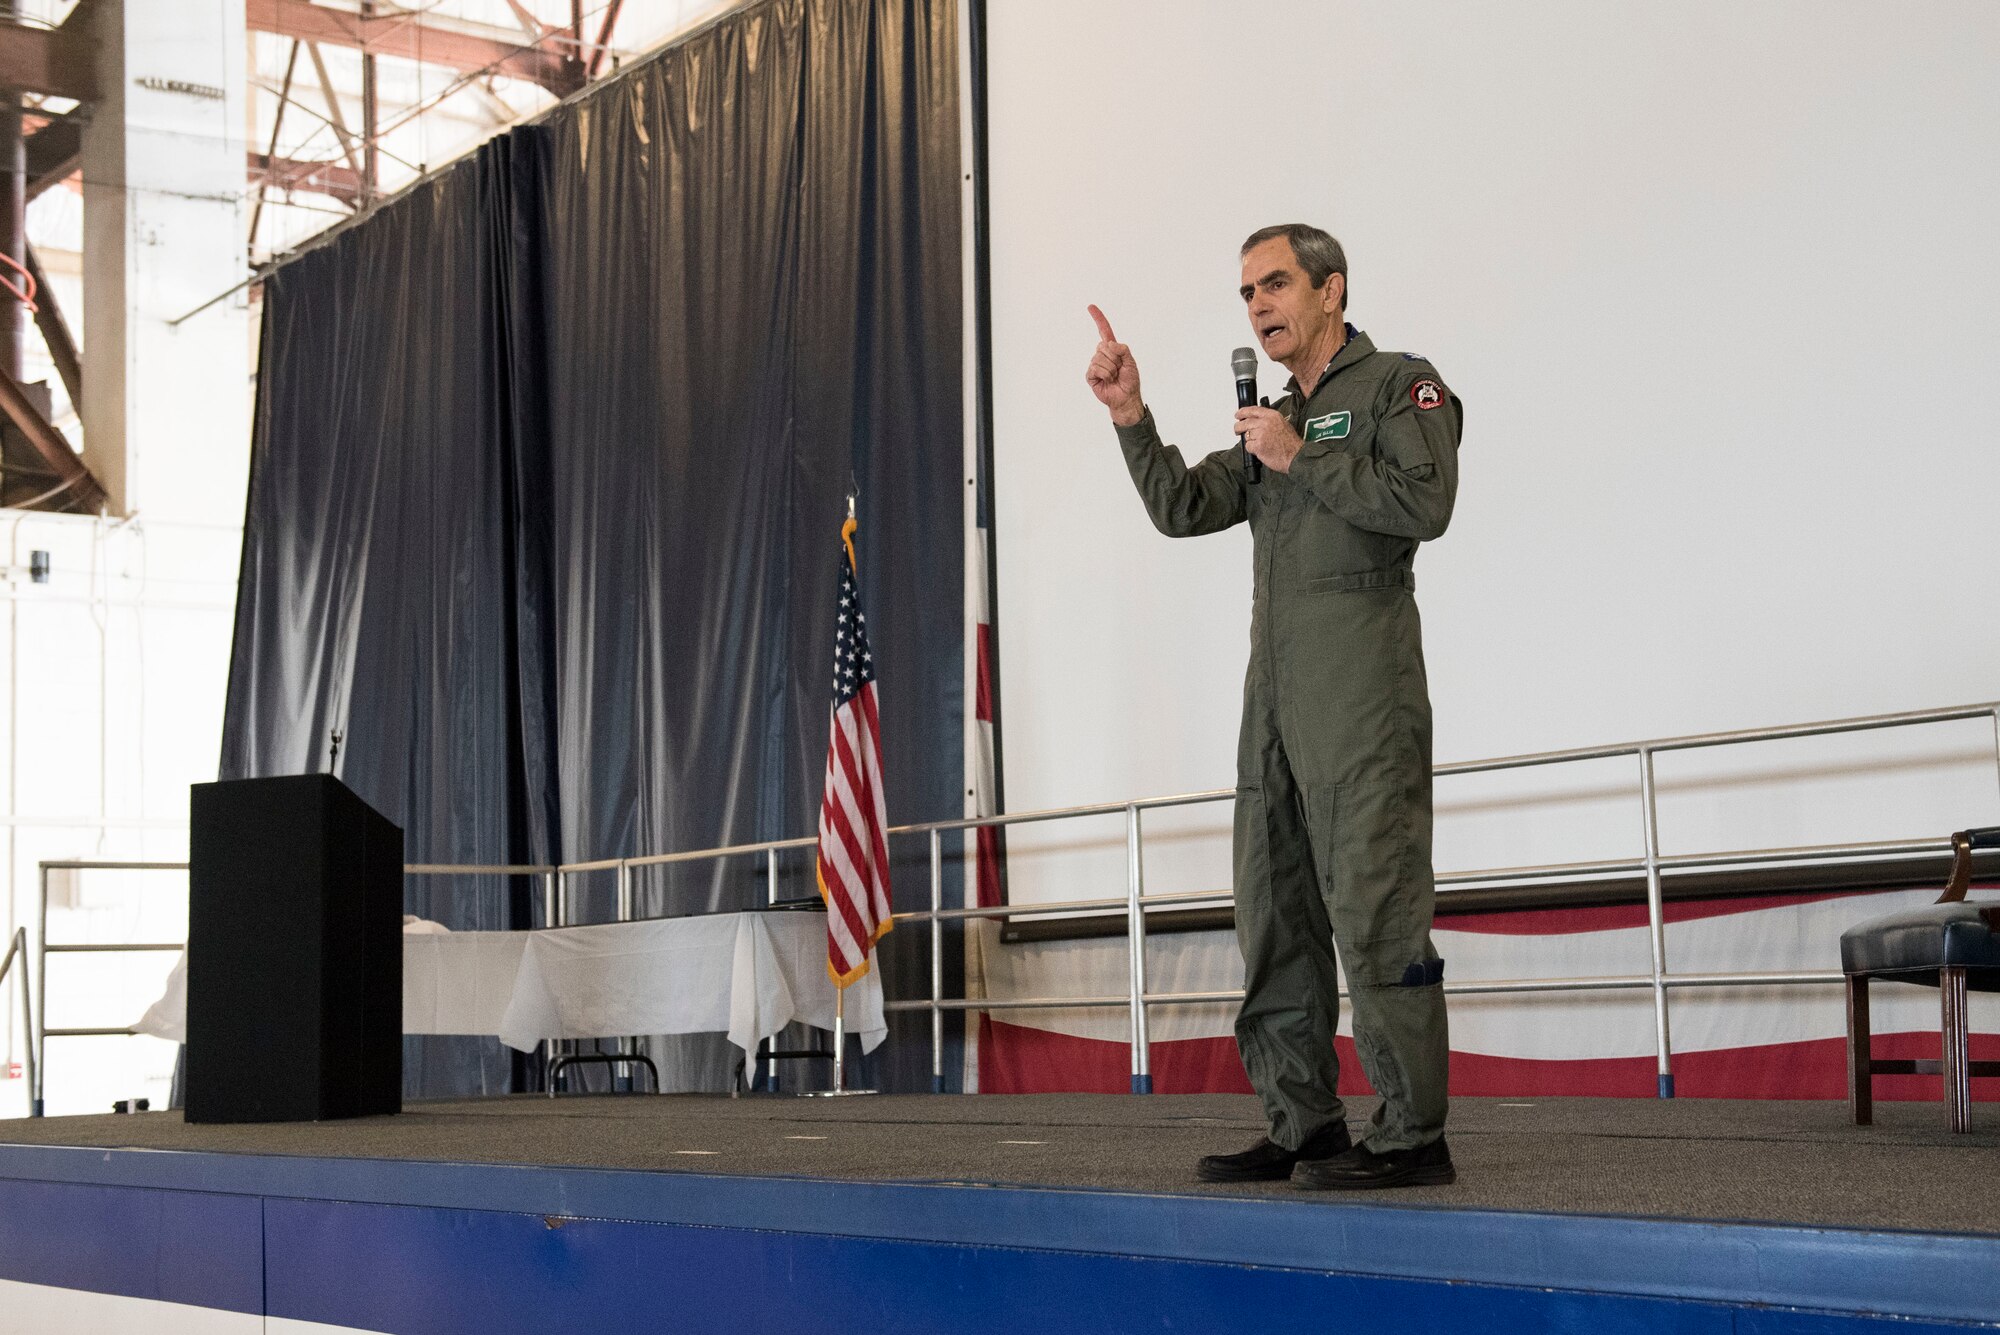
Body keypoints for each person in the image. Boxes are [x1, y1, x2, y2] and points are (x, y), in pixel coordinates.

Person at [1084, 223, 1462, 1189]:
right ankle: (1305, 1123)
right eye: (1247, 290)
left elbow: (1425, 501)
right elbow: (1182, 504)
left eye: (1276, 283)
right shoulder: (1273, 421)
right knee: (1276, 912)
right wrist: (1133, 415)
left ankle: (1414, 1134)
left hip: (1364, 698)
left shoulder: (1394, 386)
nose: (1258, 304)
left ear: (1332, 288)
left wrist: (1302, 456)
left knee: (1375, 908)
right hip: (1277, 705)